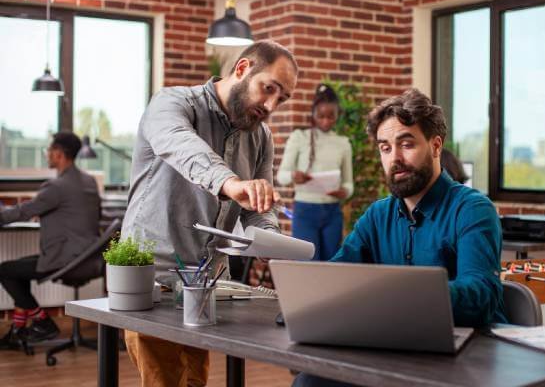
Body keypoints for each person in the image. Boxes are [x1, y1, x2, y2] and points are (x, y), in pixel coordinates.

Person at [292, 89, 506, 387]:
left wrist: (403, 297)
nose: (395, 158)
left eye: (406, 144)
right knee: (311, 382)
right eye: (385, 148)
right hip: (393, 347)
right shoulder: (377, 215)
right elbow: (337, 275)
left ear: (435, 145)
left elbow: (481, 294)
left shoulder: (473, 209)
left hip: (467, 353)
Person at [121, 40, 298, 387]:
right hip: (152, 279)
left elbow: (258, 211)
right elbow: (182, 147)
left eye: (282, 99)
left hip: (209, 285)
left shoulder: (260, 136)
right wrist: (230, 183)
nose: (271, 105)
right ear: (243, 69)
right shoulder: (171, 104)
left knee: (194, 382)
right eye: (269, 89)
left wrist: (271, 238)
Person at [0, 131, 100, 348]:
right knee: (18, 271)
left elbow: (23, 211)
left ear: (59, 154)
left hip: (65, 259)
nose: (47, 154)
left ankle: (43, 322)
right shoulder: (89, 181)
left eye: (49, 150)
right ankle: (18, 330)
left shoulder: (57, 187)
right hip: (88, 257)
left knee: (5, 271)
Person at [277, 84, 353, 260]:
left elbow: (349, 184)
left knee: (331, 264)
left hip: (333, 212)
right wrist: (294, 176)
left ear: (337, 115)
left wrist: (344, 191)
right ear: (313, 114)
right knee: (307, 263)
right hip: (305, 211)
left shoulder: (343, 143)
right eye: (321, 116)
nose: (326, 121)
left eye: (331, 117)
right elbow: (282, 176)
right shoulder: (299, 137)